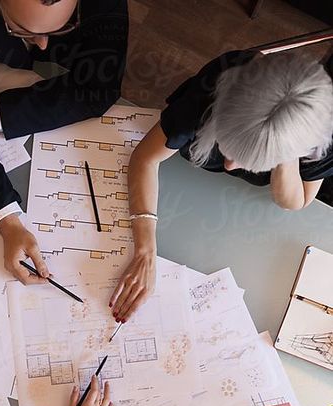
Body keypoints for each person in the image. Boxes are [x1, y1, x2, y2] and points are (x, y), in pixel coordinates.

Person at [110, 50, 333, 323]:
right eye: (225, 144)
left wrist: (286, 153)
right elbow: (146, 158)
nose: (228, 165)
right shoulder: (211, 90)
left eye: (252, 162)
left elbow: (296, 201)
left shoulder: (321, 141)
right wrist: (146, 250)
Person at [0, 0, 128, 285]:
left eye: (63, 25)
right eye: (20, 29)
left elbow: (100, 89)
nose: (42, 46)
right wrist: (7, 221)